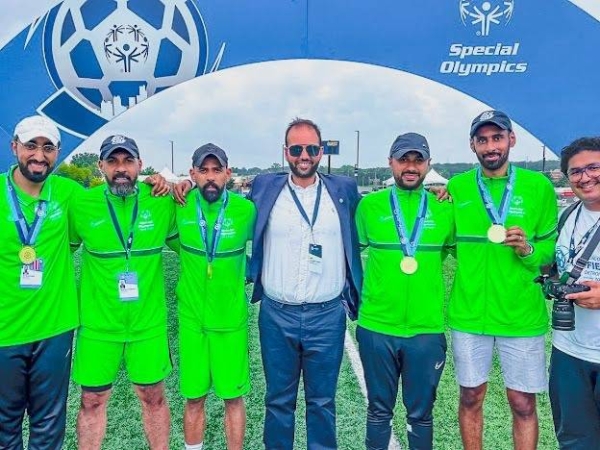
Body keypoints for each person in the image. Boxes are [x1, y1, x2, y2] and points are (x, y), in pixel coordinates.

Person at [247, 118, 362, 450]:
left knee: (322, 403)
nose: (304, 156)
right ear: (286, 152)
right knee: (278, 402)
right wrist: (176, 185)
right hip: (276, 315)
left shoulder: (343, 191)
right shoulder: (264, 188)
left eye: (311, 149)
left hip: (326, 317)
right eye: (296, 149)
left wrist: (445, 191)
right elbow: (219, 195)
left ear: (321, 152)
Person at [447, 110, 558, 450]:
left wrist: (527, 250)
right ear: (473, 145)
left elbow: (551, 253)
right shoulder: (456, 187)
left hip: (520, 315)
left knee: (523, 403)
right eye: (483, 140)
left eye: (497, 138)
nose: (490, 146)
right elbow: (445, 241)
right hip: (469, 313)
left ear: (511, 139)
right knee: (470, 397)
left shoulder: (538, 186)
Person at [70, 134, 177, 450]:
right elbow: (59, 252)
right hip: (98, 327)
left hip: (147, 325)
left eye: (128, 161)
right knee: (91, 399)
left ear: (140, 165)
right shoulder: (82, 204)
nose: (121, 169)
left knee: (153, 396)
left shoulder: (160, 201)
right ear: (101, 165)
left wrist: (180, 185)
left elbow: (188, 242)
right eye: (113, 161)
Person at [355, 132, 454, 450]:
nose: (410, 167)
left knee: (421, 415)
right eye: (403, 160)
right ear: (390, 163)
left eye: (418, 160)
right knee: (378, 412)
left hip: (426, 330)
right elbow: (349, 256)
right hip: (376, 327)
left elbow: (464, 256)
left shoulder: (444, 209)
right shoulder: (369, 206)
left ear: (428, 165)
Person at [0, 115, 80, 449]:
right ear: (14, 146)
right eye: (31, 145)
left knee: (49, 427)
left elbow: (119, 193)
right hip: (5, 332)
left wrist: (163, 182)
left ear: (58, 152)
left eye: (48, 147)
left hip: (54, 329)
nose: (39, 155)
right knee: (5, 426)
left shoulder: (69, 193)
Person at [176, 143, 256, 450]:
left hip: (230, 323)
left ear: (228, 173)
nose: (211, 177)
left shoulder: (245, 210)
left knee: (233, 398)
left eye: (217, 170)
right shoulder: (179, 205)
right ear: (192, 173)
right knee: (194, 398)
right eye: (204, 170)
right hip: (192, 323)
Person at [550, 136, 600, 449]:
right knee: (574, 441)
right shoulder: (568, 216)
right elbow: (559, 265)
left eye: (593, 167)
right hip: (569, 350)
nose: (585, 177)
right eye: (576, 172)